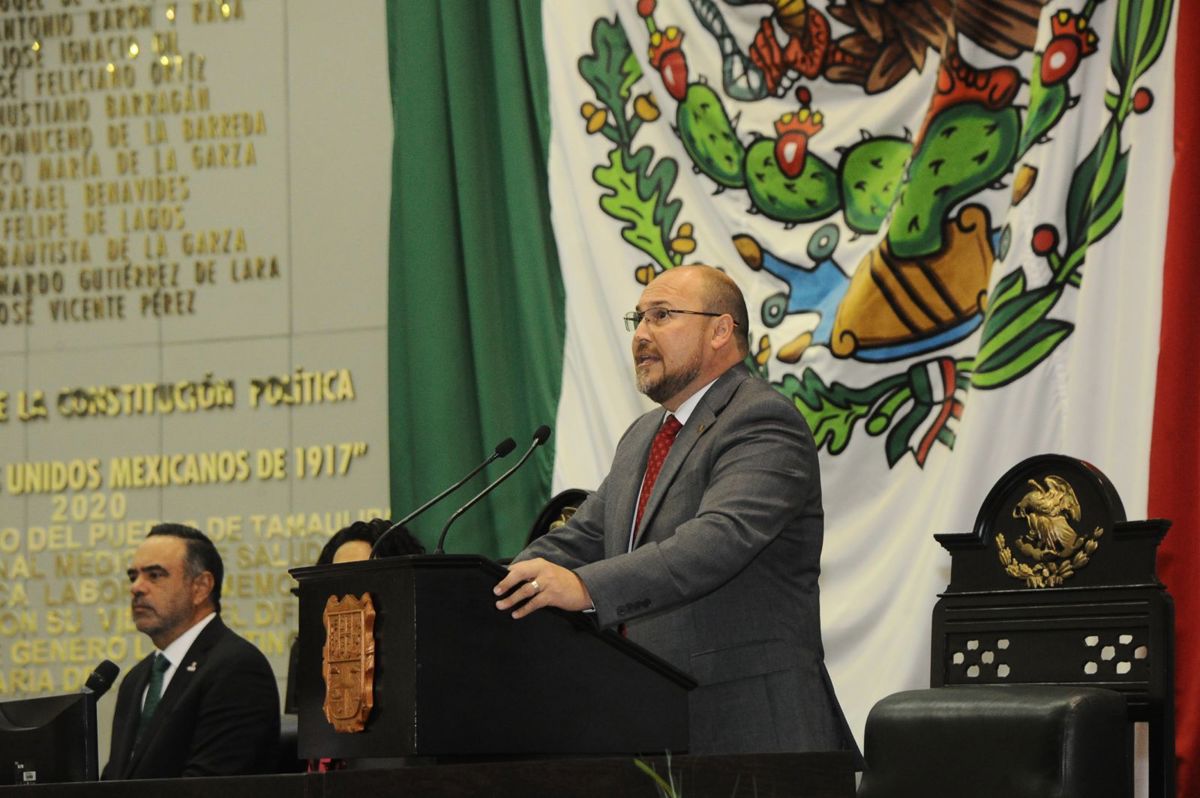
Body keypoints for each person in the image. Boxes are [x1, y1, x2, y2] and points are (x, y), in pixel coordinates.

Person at [494, 265, 858, 757]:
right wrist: (489, 589)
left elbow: (714, 542)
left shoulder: (761, 420)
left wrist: (584, 588)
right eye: (638, 319)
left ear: (720, 330)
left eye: (661, 316)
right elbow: (580, 539)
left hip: (753, 731)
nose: (641, 334)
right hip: (654, 726)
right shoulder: (643, 437)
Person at [103, 523, 280, 780]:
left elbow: (212, 785)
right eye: (133, 576)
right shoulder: (136, 680)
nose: (136, 587)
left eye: (154, 575)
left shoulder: (236, 669)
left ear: (201, 587)